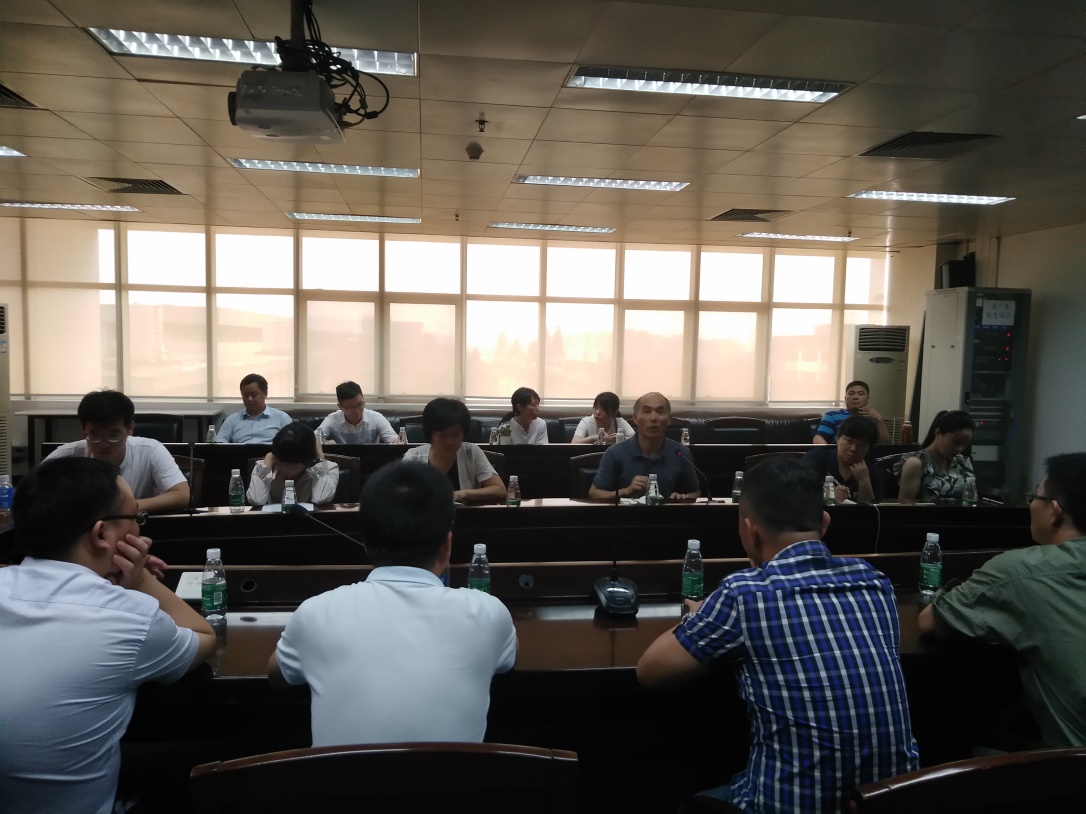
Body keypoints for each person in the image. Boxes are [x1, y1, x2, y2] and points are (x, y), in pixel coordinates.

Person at [637, 457, 918, 811]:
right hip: (892, 802)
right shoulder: (875, 583)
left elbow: (649, 671)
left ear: (750, 531)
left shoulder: (745, 594)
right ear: (825, 523)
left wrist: (702, 613)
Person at [0, 457, 216, 813]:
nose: (140, 530)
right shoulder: (129, 616)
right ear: (102, 534)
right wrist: (141, 580)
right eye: (135, 518)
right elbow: (203, 636)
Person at [267, 460, 517, 746]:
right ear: (447, 546)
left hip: (337, 777)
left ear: (366, 542)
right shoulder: (488, 612)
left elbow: (276, 675)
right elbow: (508, 660)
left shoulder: (315, 613)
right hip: (454, 776)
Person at [919, 452, 1086, 747]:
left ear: (1055, 511)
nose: (1031, 504)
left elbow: (930, 620)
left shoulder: (1023, 571)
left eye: (1035, 497)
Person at [43, 389, 190, 514]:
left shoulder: (150, 450)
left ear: (130, 428)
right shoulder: (66, 456)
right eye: (94, 435)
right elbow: (35, 497)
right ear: (83, 429)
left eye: (114, 435)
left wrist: (127, 508)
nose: (103, 444)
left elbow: (182, 494)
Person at [588, 392, 700, 501]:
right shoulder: (615, 453)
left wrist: (684, 498)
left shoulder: (681, 453)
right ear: (635, 419)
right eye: (646, 411)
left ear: (669, 420)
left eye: (660, 412)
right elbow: (594, 493)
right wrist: (626, 491)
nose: (654, 418)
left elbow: (695, 492)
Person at [403, 398, 506, 503]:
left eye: (456, 434)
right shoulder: (413, 457)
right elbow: (398, 493)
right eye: (443, 435)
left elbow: (500, 490)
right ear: (430, 434)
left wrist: (463, 494)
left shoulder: (471, 452)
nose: (450, 441)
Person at [247, 421, 340, 506]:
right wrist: (267, 461)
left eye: (293, 466)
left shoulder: (327, 468)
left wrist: (320, 456)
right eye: (281, 462)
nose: (285, 468)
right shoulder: (264, 468)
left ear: (307, 460)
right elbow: (256, 500)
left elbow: (321, 499)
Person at [895, 410, 975, 503]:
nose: (960, 449)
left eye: (965, 444)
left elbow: (972, 497)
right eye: (955, 442)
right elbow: (904, 507)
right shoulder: (917, 464)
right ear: (938, 433)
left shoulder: (963, 462)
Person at [803, 414, 886, 503]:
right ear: (838, 439)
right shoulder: (816, 458)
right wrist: (827, 494)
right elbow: (800, 493)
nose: (853, 449)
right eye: (849, 441)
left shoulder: (873, 471)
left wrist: (864, 482)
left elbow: (875, 510)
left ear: (869, 448)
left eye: (862, 445)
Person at [217, 373, 292, 443]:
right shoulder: (232, 420)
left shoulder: (282, 418)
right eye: (246, 395)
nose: (249, 399)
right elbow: (219, 442)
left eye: (254, 395)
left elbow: (293, 443)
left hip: (270, 452)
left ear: (265, 393)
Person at [317, 381, 398, 444]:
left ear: (363, 400)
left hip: (370, 459)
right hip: (341, 460)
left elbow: (393, 439)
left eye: (360, 404)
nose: (357, 410)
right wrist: (324, 443)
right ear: (340, 407)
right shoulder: (332, 419)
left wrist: (395, 441)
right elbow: (314, 440)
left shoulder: (376, 418)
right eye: (351, 407)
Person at [814, 380, 891, 445]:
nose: (855, 397)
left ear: (867, 399)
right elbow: (818, 438)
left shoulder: (873, 418)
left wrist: (880, 420)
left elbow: (886, 445)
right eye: (851, 394)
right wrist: (832, 453)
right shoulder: (832, 415)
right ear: (845, 398)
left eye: (861, 394)